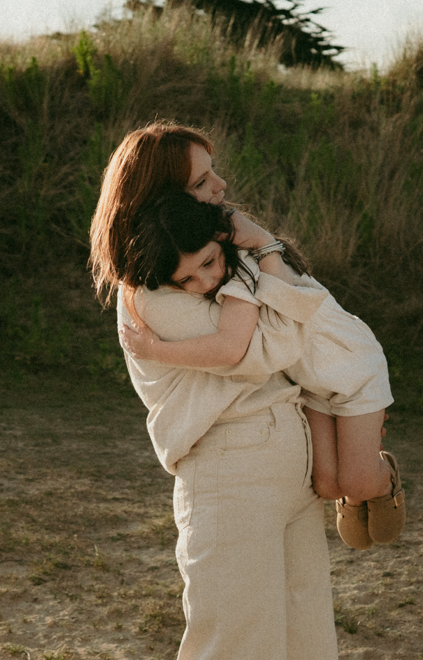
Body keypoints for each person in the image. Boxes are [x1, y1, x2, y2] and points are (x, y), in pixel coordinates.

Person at [88, 123, 338, 659]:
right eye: (203, 181)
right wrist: (276, 271)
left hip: (285, 461)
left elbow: (294, 315)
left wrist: (269, 264)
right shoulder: (154, 290)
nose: (220, 186)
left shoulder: (214, 260)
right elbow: (269, 348)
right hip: (232, 471)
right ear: (165, 198)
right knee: (235, 646)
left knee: (306, 644)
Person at [119, 188, 404, 552]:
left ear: (220, 241)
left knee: (359, 482)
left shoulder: (244, 272)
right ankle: (356, 484)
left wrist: (155, 350)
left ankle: (382, 479)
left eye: (207, 264)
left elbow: (230, 348)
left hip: (353, 367)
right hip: (311, 384)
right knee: (329, 486)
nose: (204, 283)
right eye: (186, 280)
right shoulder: (221, 279)